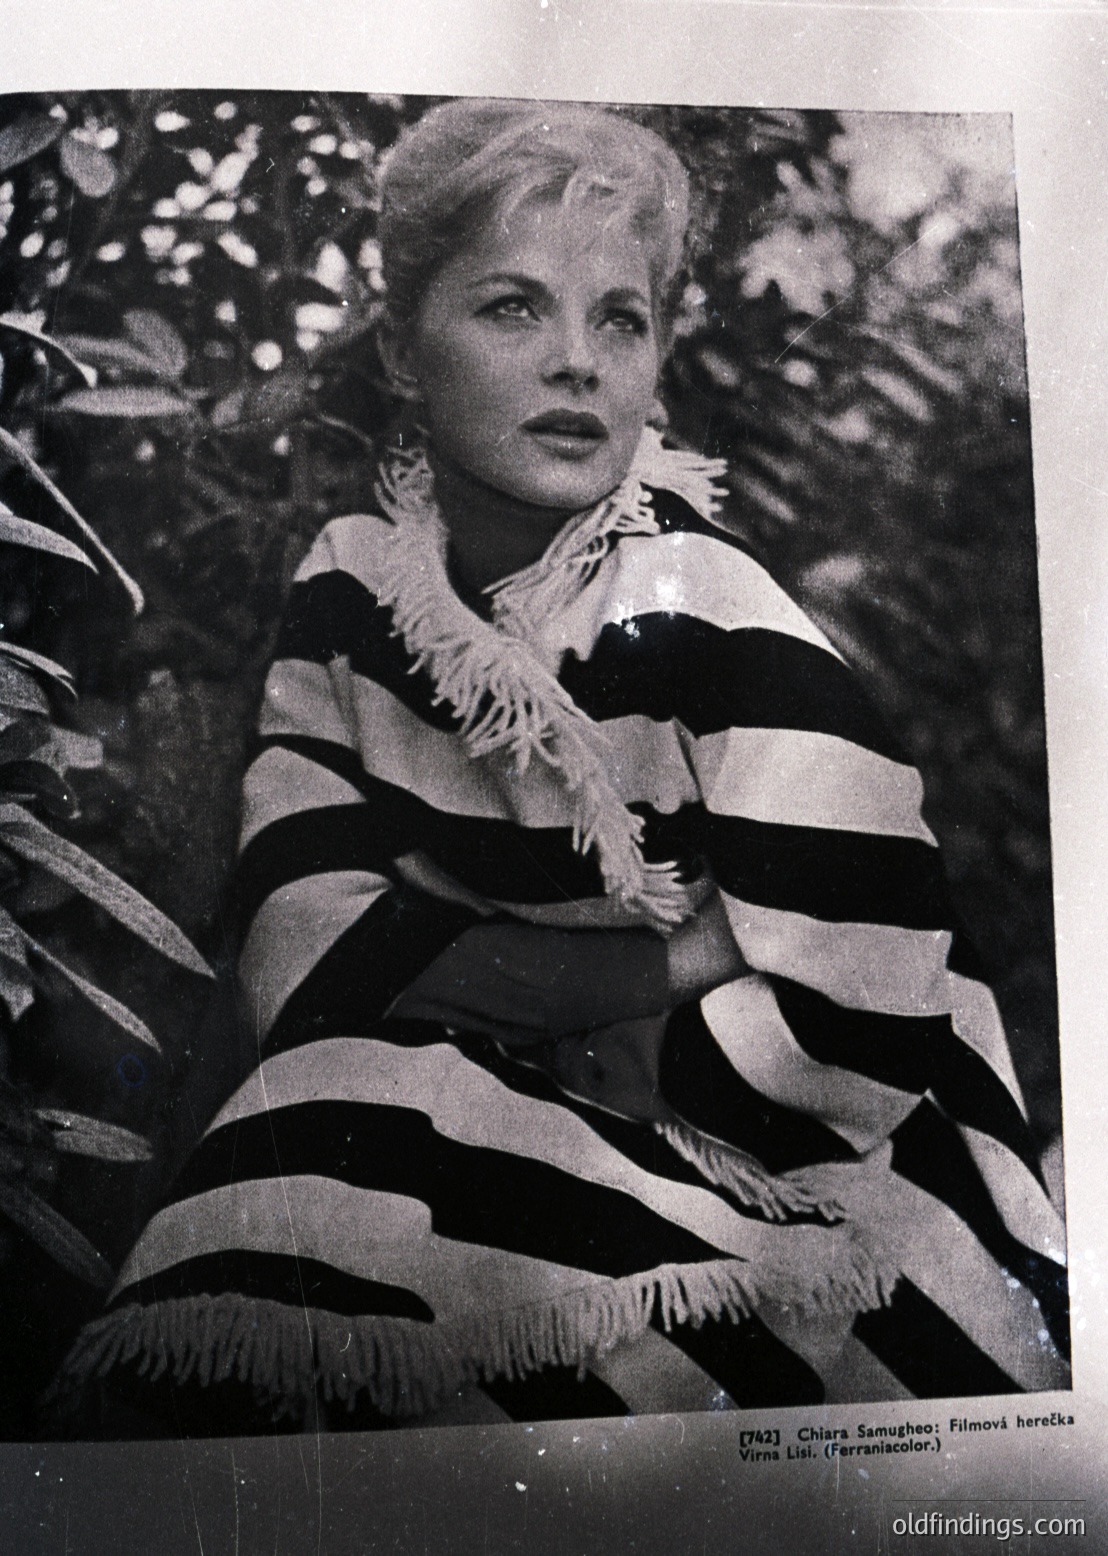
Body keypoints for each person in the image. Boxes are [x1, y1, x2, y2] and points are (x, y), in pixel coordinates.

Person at [56, 98, 1068, 1435]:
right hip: (493, 1087)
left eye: (622, 319)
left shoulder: (708, 606)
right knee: (290, 1164)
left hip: (814, 1151)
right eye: (515, 309)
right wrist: (683, 951)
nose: (579, 363)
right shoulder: (353, 590)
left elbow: (869, 1004)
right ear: (405, 349)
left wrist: (458, 942)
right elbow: (307, 953)